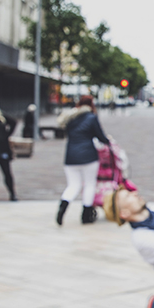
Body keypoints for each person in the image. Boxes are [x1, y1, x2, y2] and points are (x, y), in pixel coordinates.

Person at [56, 95, 110, 225]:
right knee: (89, 184)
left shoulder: (70, 118)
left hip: (70, 156)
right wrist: (108, 141)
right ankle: (86, 215)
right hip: (89, 156)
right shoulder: (91, 118)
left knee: (73, 185)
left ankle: (62, 208)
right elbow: (100, 136)